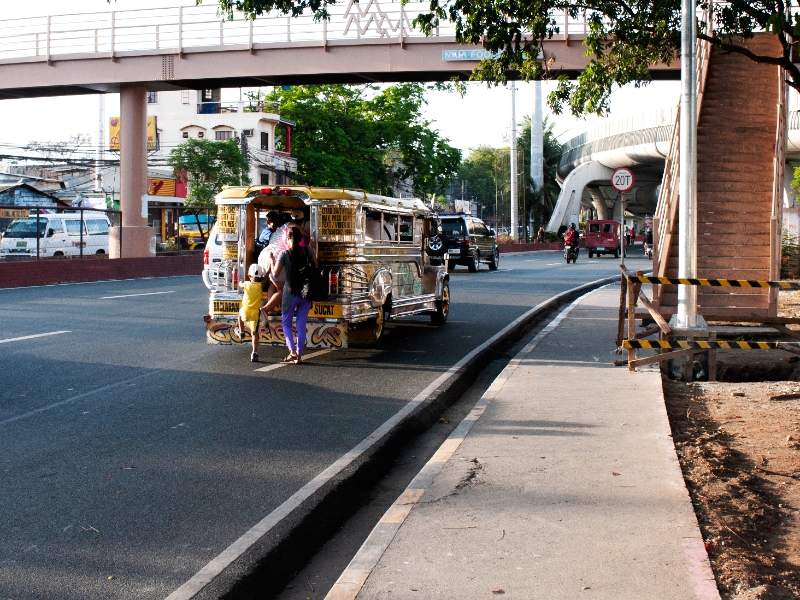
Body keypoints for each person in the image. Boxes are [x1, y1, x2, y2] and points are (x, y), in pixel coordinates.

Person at [272, 227, 318, 364]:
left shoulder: (284, 254)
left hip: (290, 292)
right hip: (306, 293)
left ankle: (292, 351)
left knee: (286, 323)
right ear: (300, 238)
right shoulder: (307, 250)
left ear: (288, 238)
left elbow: (275, 274)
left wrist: (270, 261)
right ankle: (299, 354)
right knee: (301, 324)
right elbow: (316, 265)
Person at [236, 263, 265, 363]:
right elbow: (266, 280)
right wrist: (269, 270)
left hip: (246, 309)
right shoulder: (260, 285)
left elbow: (240, 284)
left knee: (240, 314)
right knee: (254, 332)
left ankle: (242, 331)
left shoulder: (246, 284)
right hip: (255, 312)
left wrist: (240, 282)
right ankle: (254, 352)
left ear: (249, 275)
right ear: (261, 276)